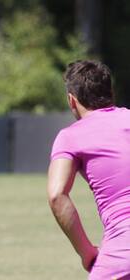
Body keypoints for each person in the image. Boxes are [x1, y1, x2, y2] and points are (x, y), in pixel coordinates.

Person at [47, 60, 130, 279]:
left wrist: (86, 253)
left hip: (123, 254)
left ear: (72, 100)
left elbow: (57, 195)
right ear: (111, 92)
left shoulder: (70, 137)